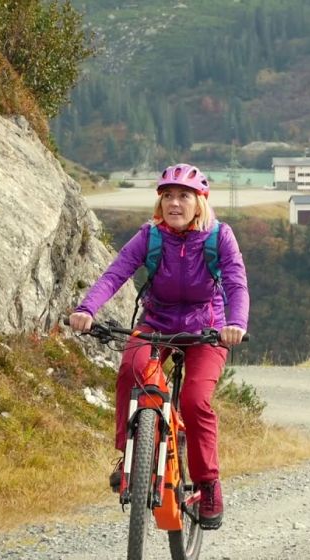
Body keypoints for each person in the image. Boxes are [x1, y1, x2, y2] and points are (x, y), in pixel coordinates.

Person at [68, 163, 249, 530]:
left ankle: (208, 484)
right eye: (168, 196)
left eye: (184, 196)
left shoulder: (219, 237)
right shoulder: (150, 237)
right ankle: (130, 456)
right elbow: (116, 273)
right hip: (157, 324)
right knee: (131, 369)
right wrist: (87, 308)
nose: (175, 203)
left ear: (200, 202)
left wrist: (236, 324)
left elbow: (236, 283)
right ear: (160, 202)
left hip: (207, 330)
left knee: (195, 401)